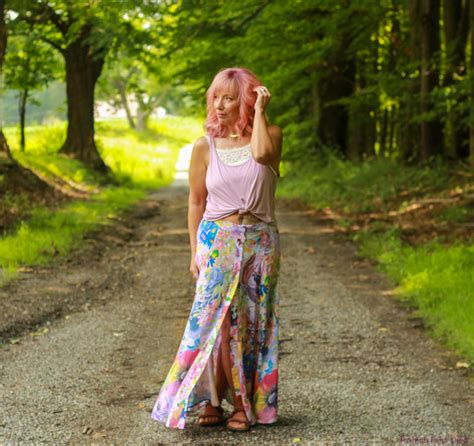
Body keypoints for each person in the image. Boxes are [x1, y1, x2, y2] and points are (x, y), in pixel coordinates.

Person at [150, 67, 282, 432]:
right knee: (215, 323)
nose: (219, 105)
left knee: (253, 324)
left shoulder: (270, 135)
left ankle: (245, 403)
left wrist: (260, 113)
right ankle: (215, 399)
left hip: (260, 242)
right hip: (217, 240)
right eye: (215, 97)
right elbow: (196, 201)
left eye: (230, 98)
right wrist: (195, 250)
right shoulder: (203, 146)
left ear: (249, 100)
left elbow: (262, 156)